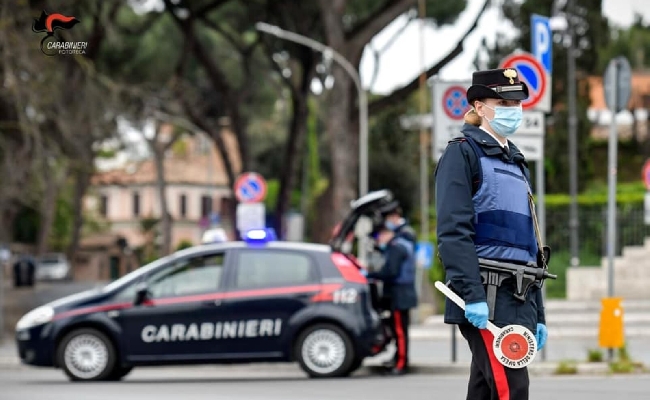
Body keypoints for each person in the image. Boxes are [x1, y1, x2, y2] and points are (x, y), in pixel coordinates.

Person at [434, 68, 549, 400]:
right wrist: (472, 295)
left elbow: (529, 246)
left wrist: (538, 313)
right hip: (487, 294)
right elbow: (454, 232)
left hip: (520, 295)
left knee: (487, 390)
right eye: (502, 102)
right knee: (511, 390)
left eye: (516, 103)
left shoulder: (516, 162)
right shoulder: (463, 154)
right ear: (478, 106)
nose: (512, 110)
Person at [366, 225, 417, 375]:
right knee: (396, 330)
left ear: (386, 234)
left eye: (379, 236)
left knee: (400, 332)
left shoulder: (396, 247)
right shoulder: (397, 246)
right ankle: (397, 359)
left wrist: (371, 275)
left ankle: (401, 364)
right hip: (400, 294)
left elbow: (391, 271)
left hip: (400, 295)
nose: (378, 240)